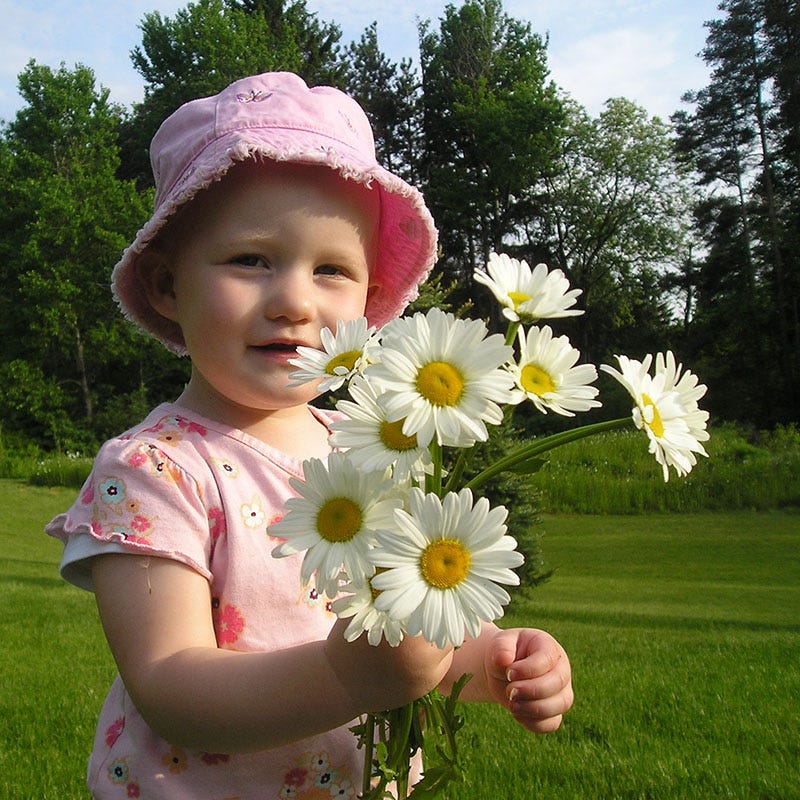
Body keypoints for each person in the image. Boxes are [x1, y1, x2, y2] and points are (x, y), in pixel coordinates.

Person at [46, 71, 573, 799]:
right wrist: (346, 674)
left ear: (370, 300)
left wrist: (491, 662)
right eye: (250, 260)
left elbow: (405, 638)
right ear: (168, 286)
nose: (294, 300)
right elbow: (169, 683)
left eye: (331, 269)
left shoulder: (372, 446)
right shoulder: (153, 470)